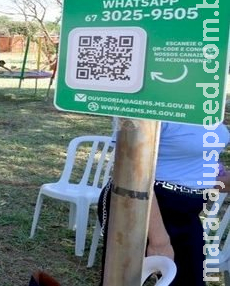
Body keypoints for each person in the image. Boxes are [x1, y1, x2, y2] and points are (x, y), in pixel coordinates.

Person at [99, 119, 230, 286]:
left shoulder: (207, 99)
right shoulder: (154, 98)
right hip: (141, 206)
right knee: (127, 281)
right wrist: (159, 240)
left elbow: (194, 160)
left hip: (187, 213)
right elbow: (130, 169)